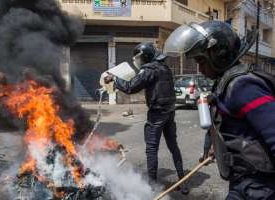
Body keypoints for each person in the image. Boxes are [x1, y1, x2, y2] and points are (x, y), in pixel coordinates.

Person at [164, 20, 275, 199]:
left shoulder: (243, 85)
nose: (200, 69)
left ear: (219, 54)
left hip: (260, 186)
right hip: (243, 181)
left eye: (201, 61)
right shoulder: (224, 82)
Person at [104, 42, 189, 194]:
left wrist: (115, 80)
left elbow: (131, 87)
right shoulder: (164, 68)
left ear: (146, 57)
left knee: (151, 149)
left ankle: (152, 187)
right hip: (170, 112)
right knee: (173, 146)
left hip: (157, 113)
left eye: (139, 58)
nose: (137, 61)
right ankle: (182, 181)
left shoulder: (149, 70)